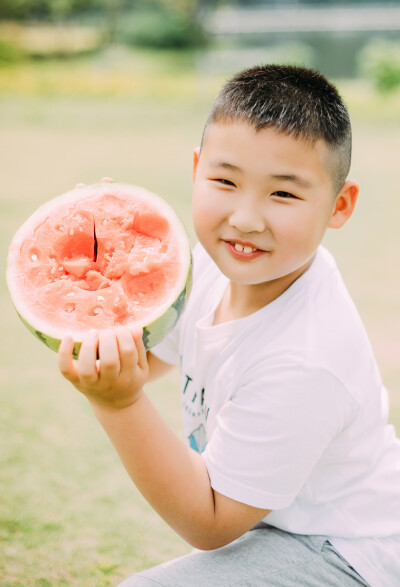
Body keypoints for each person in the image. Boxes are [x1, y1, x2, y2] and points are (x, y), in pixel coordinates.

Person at [58, 65, 400, 586]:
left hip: (349, 553)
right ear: (197, 171)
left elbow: (210, 520)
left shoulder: (307, 360)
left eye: (282, 194)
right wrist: (99, 271)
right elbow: (149, 358)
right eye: (224, 181)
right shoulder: (213, 267)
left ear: (340, 204)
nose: (245, 218)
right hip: (279, 523)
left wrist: (117, 403)